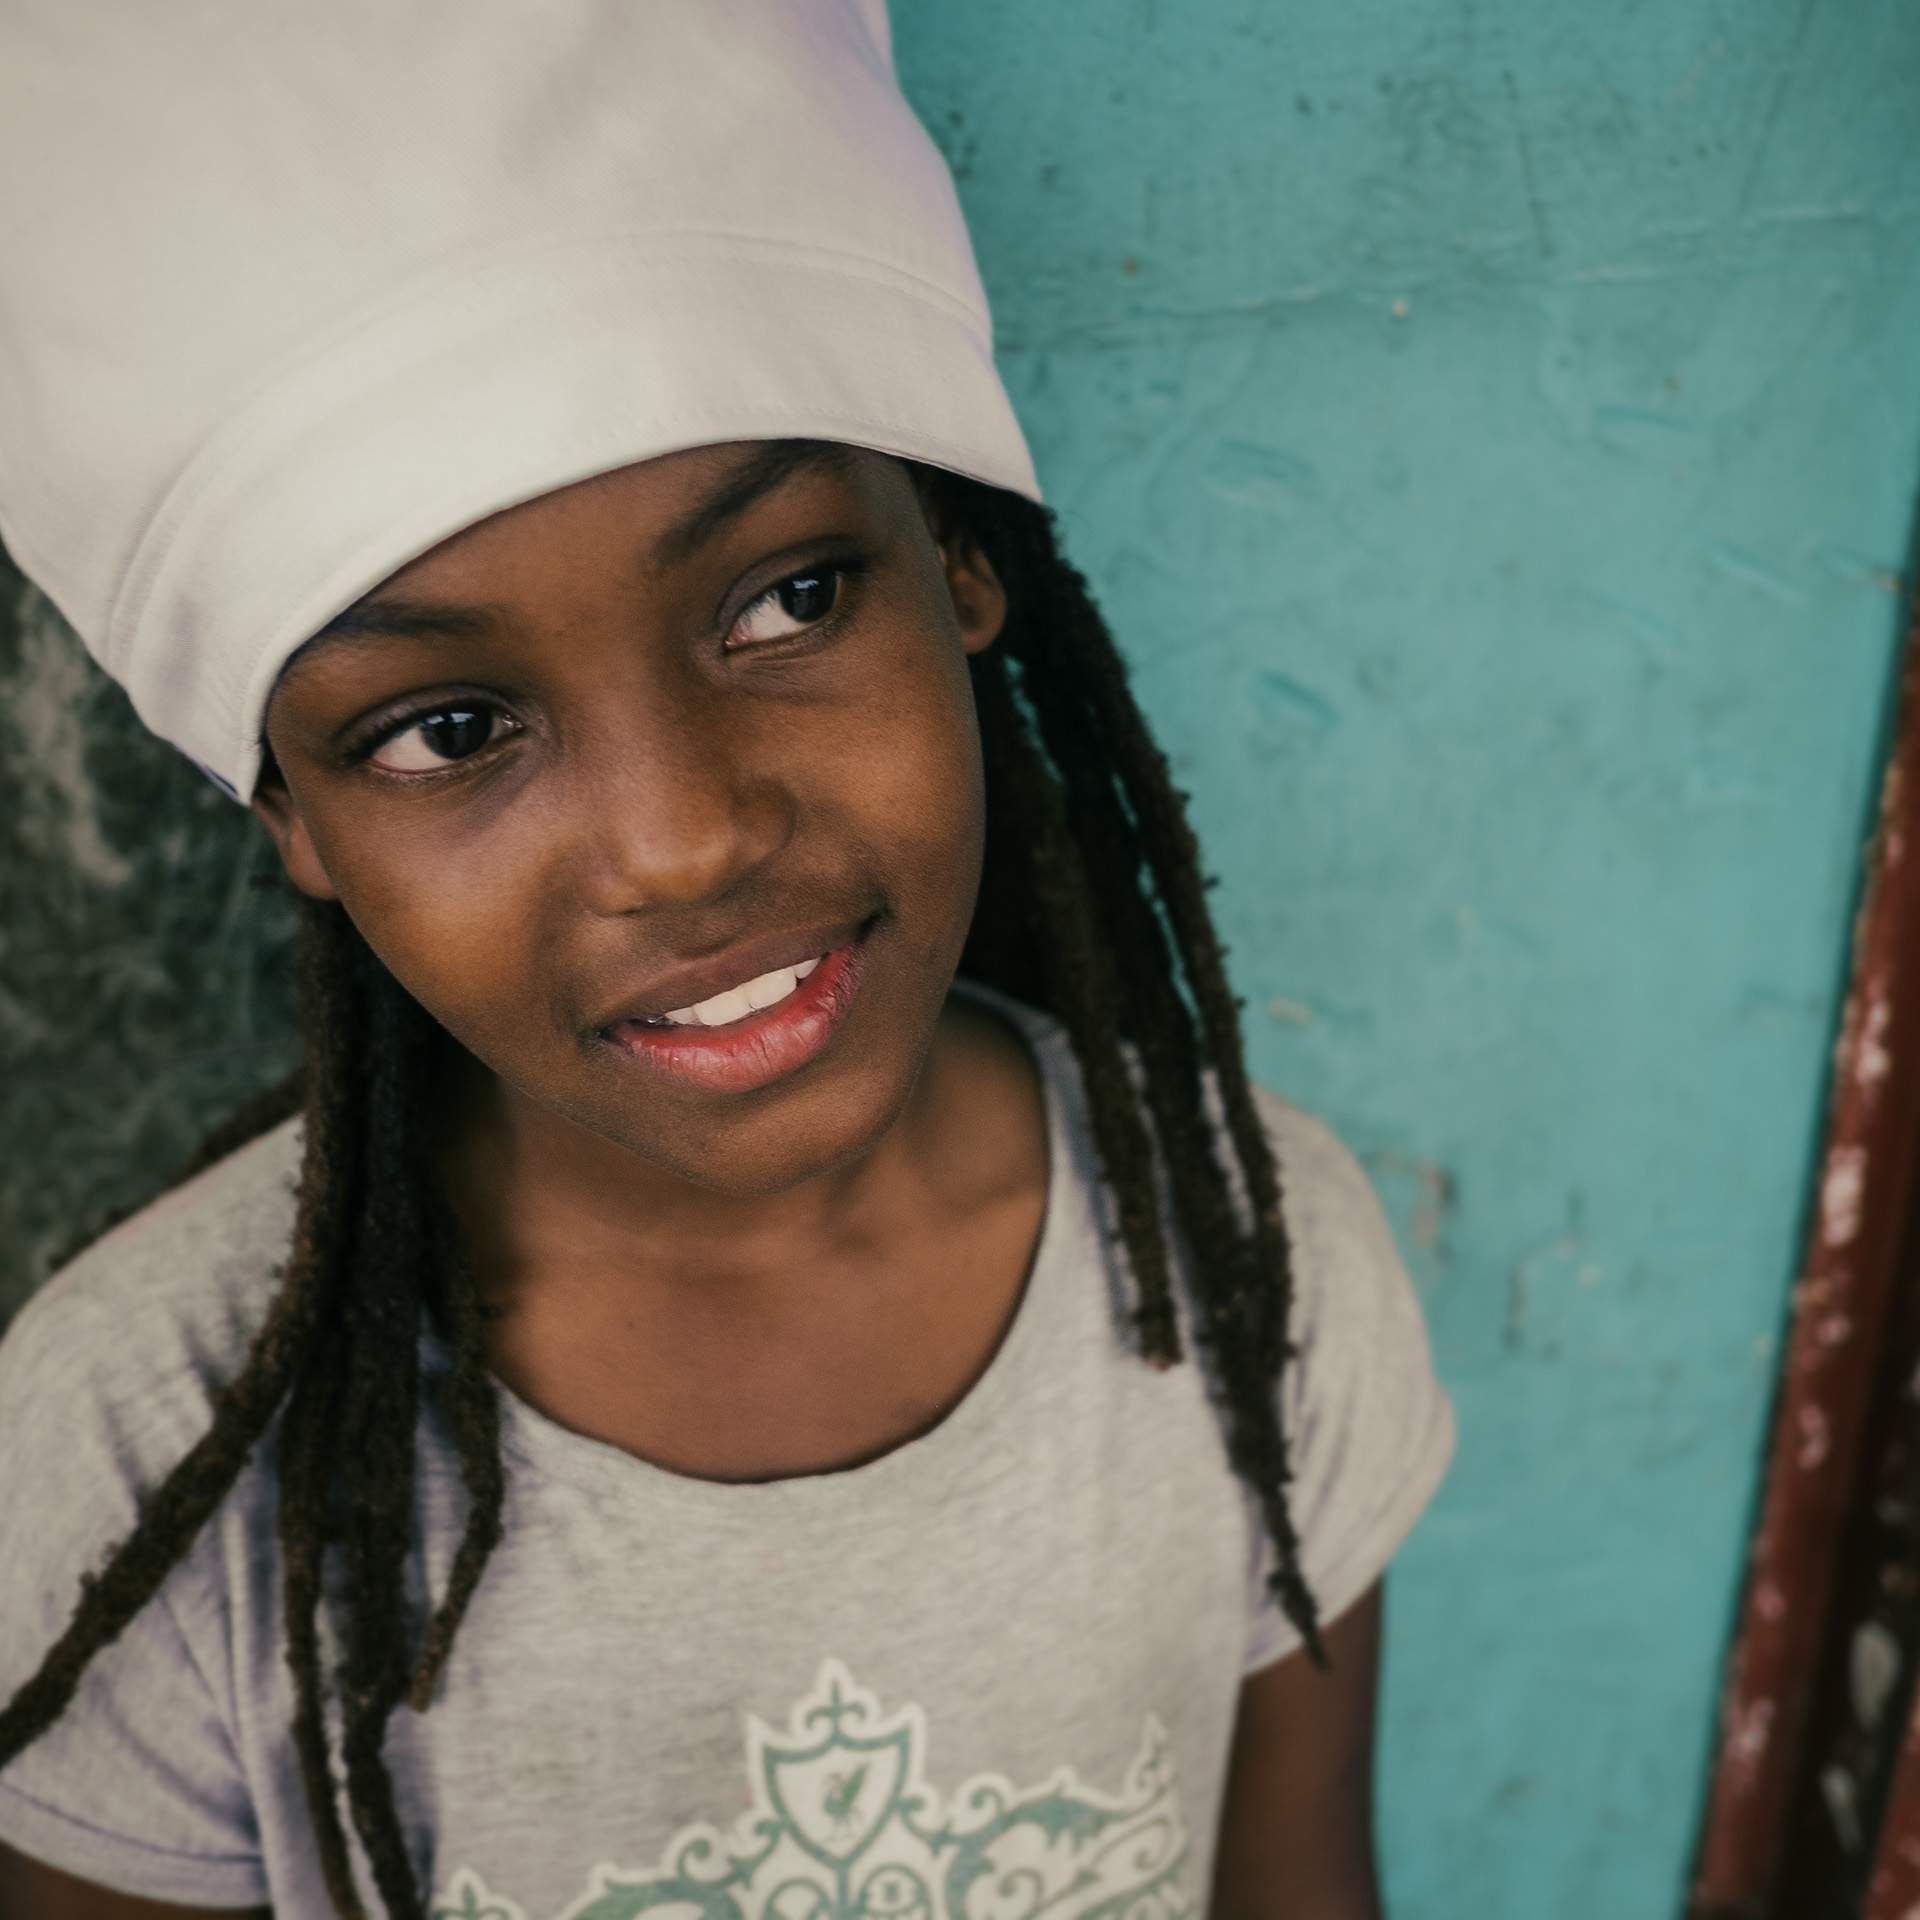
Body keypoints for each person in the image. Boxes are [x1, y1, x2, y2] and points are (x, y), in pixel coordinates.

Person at [0, 6, 1454, 1918]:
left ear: (954, 566)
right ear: (297, 823)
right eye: (446, 729)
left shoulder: (1252, 1263)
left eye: (786, 597)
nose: (685, 840)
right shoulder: (136, 1448)